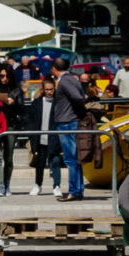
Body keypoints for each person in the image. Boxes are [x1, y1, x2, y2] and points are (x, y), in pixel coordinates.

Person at [51, 57, 86, 202]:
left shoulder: (65, 81)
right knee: (74, 159)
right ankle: (77, 190)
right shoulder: (72, 79)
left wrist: (79, 112)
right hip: (70, 121)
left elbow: (78, 98)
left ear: (54, 68)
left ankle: (73, 191)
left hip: (67, 122)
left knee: (70, 159)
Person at [0, 64, 24, 196]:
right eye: (2, 76)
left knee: (8, 158)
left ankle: (7, 184)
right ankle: (0, 185)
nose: (4, 79)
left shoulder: (16, 90)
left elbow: (22, 108)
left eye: (7, 76)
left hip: (10, 125)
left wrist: (13, 103)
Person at [25, 77, 62, 197]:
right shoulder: (37, 103)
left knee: (55, 162)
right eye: (47, 89)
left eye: (51, 89)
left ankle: (56, 186)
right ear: (43, 89)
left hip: (54, 138)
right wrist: (31, 136)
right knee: (39, 164)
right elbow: (31, 120)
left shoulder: (58, 103)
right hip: (40, 138)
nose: (49, 92)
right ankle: (38, 184)